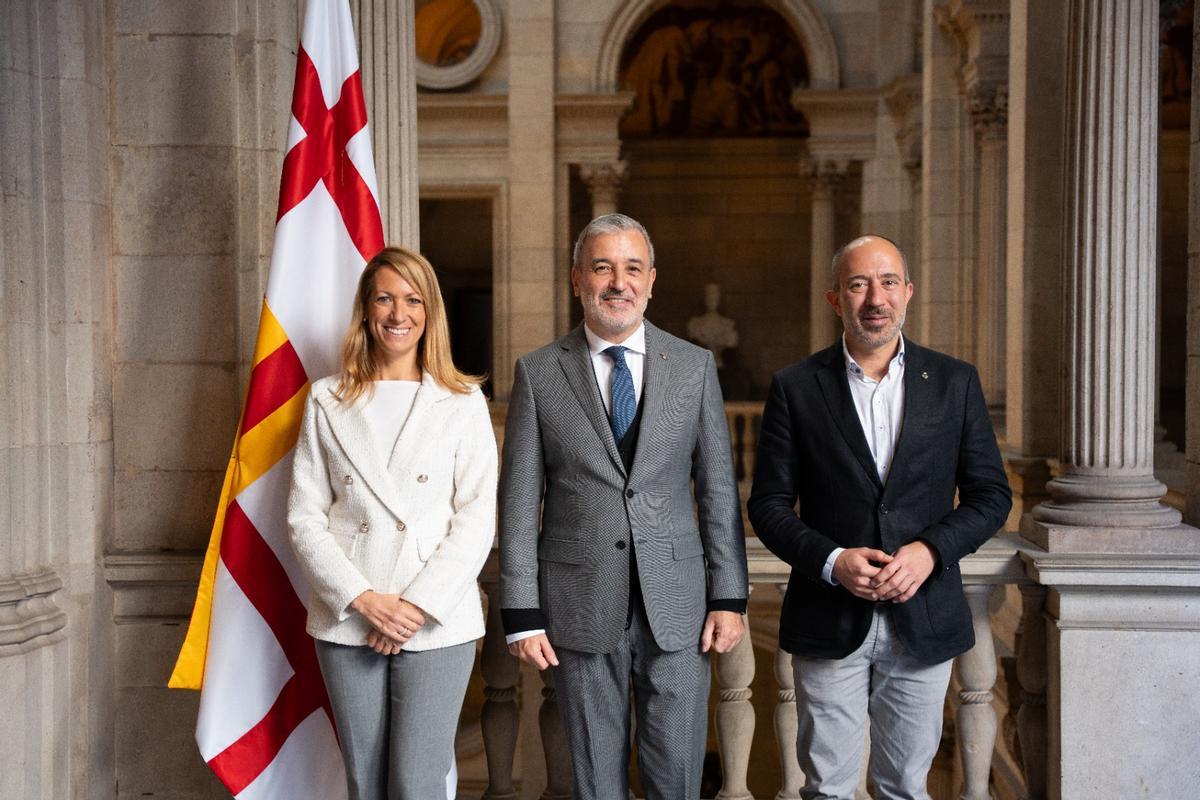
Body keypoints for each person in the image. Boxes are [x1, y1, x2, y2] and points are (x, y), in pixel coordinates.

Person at [747, 235, 1012, 800]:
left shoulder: (954, 381)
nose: (875, 297)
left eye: (888, 282)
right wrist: (832, 560)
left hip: (924, 618)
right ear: (834, 297)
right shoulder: (795, 387)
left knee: (905, 789)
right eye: (858, 283)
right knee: (827, 789)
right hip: (827, 619)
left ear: (908, 292)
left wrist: (931, 551)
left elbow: (991, 495)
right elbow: (767, 505)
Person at [499, 213, 749, 799]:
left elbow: (717, 489)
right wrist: (522, 611)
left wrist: (729, 595)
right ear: (577, 279)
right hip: (579, 608)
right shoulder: (539, 373)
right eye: (602, 267)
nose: (619, 282)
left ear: (652, 280)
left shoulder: (692, 366)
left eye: (632, 268)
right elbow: (518, 501)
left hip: (681, 610)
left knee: (677, 778)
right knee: (594, 783)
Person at [287, 246, 497, 800]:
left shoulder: (463, 400)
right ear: (366, 308)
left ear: (430, 314)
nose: (398, 313)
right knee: (365, 781)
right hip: (349, 616)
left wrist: (412, 607)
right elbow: (304, 516)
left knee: (417, 783)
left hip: (436, 618)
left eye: (412, 300)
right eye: (384, 298)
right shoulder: (325, 400)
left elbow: (477, 517)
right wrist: (364, 599)